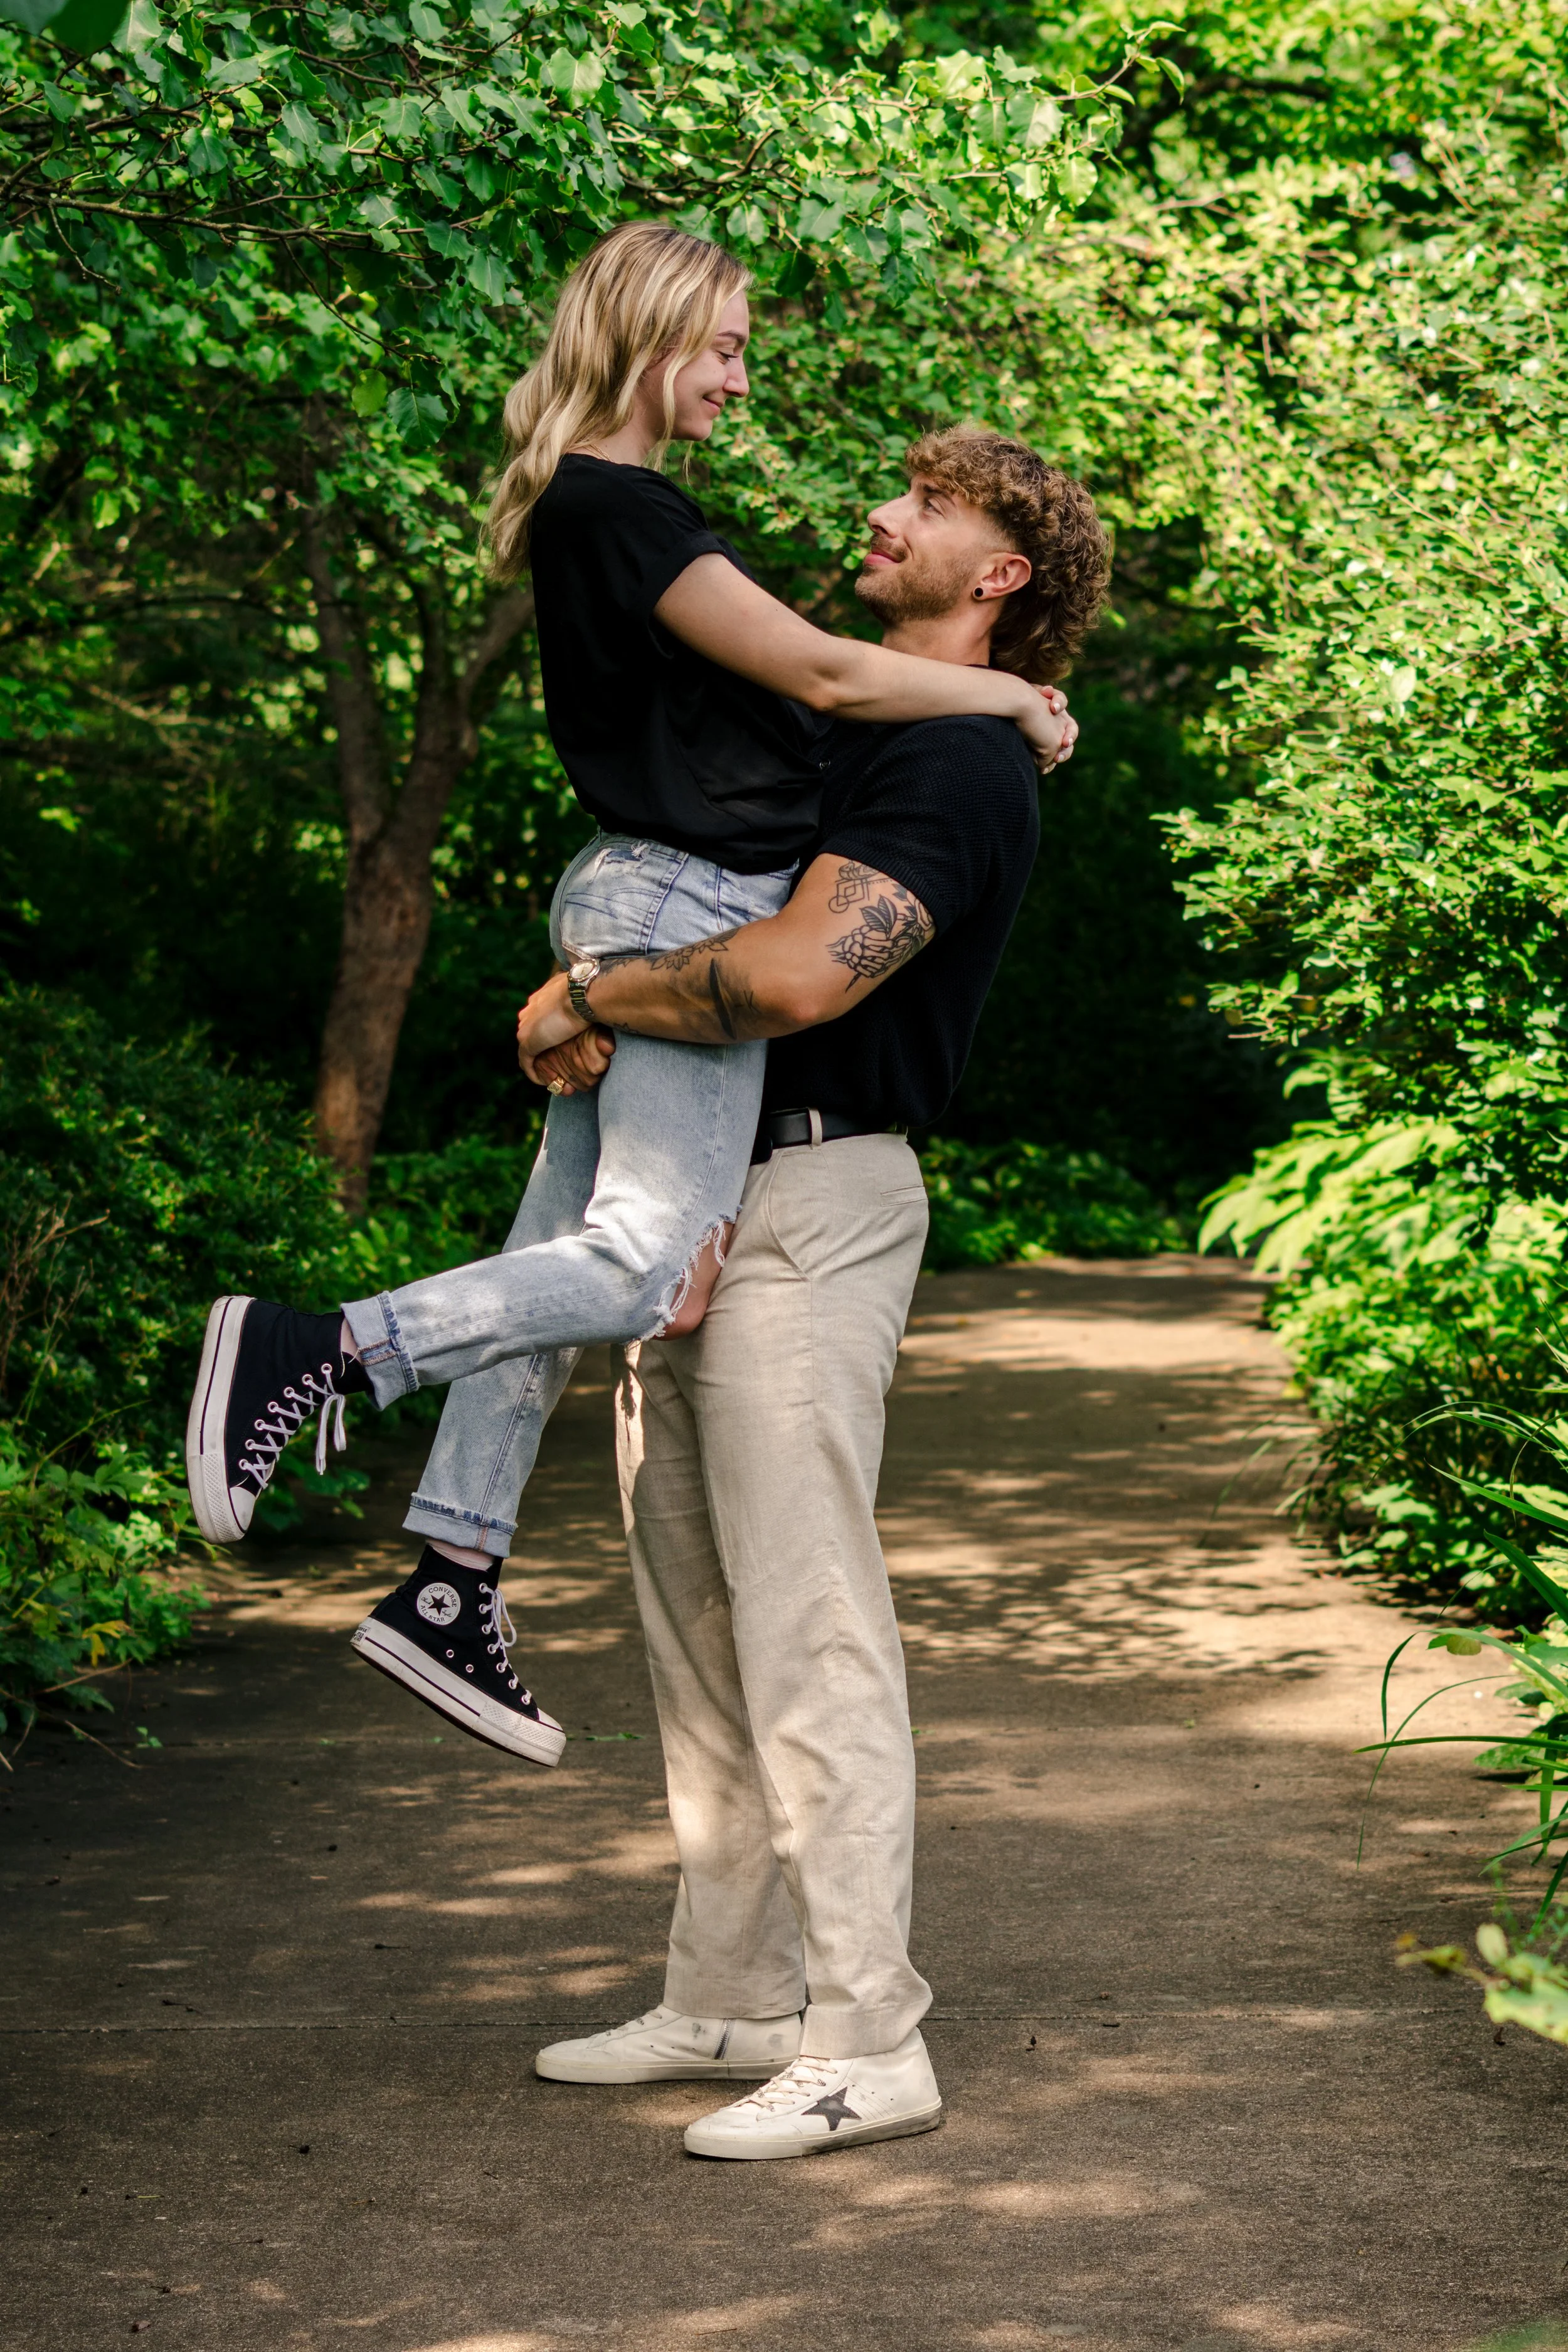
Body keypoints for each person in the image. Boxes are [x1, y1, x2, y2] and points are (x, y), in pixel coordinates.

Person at [183, 224, 1073, 1772]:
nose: (737, 376)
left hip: (647, 895)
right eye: (721, 345)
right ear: (648, 332)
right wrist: (1009, 690)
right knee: (646, 1262)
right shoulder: (624, 508)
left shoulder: (608, 507)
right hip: (672, 899)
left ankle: (452, 1576)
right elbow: (827, 679)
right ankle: (321, 1349)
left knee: (556, 1252)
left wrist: (584, 977)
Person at [519, 424, 1110, 2159]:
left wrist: (589, 991)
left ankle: (870, 2031)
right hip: (694, 1210)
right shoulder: (831, 729)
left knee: (805, 1629)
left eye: (926, 508)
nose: (882, 512)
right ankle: (731, 1989)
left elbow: (785, 975)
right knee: (696, 1630)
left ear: (996, 575)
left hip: (813, 1202)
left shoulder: (955, 773)